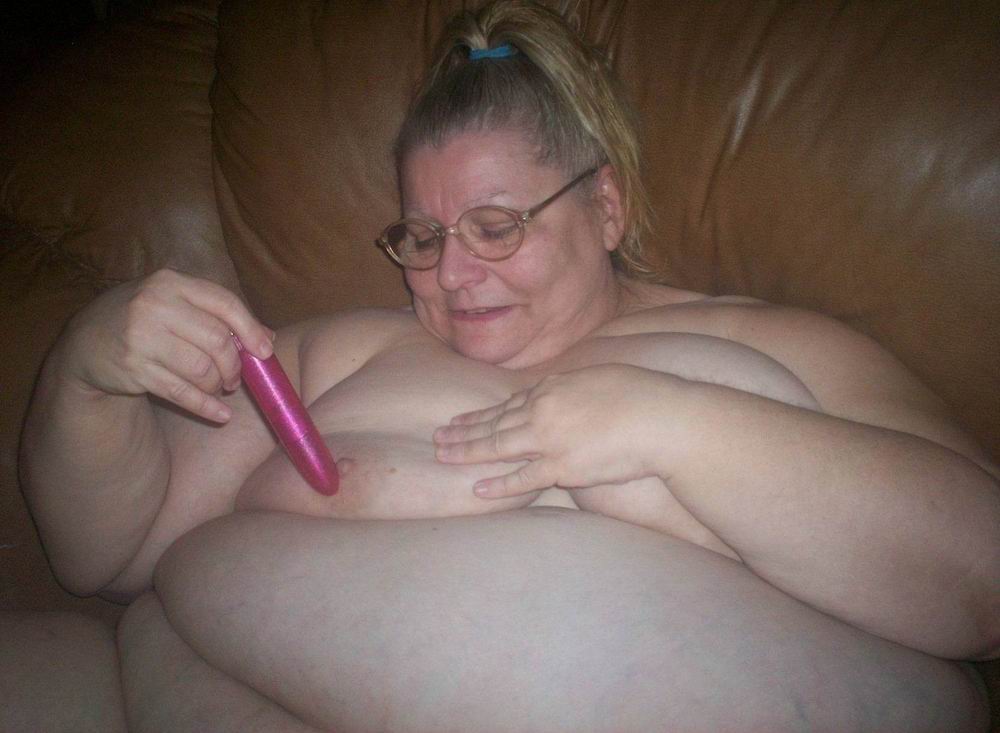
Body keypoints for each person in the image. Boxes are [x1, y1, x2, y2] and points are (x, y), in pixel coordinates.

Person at [15, 0, 999, 730]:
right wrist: (88, 372)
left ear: (604, 207)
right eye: (421, 237)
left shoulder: (772, 343)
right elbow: (112, 553)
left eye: (495, 225)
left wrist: (666, 420)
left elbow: (982, 583)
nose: (452, 274)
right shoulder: (345, 348)